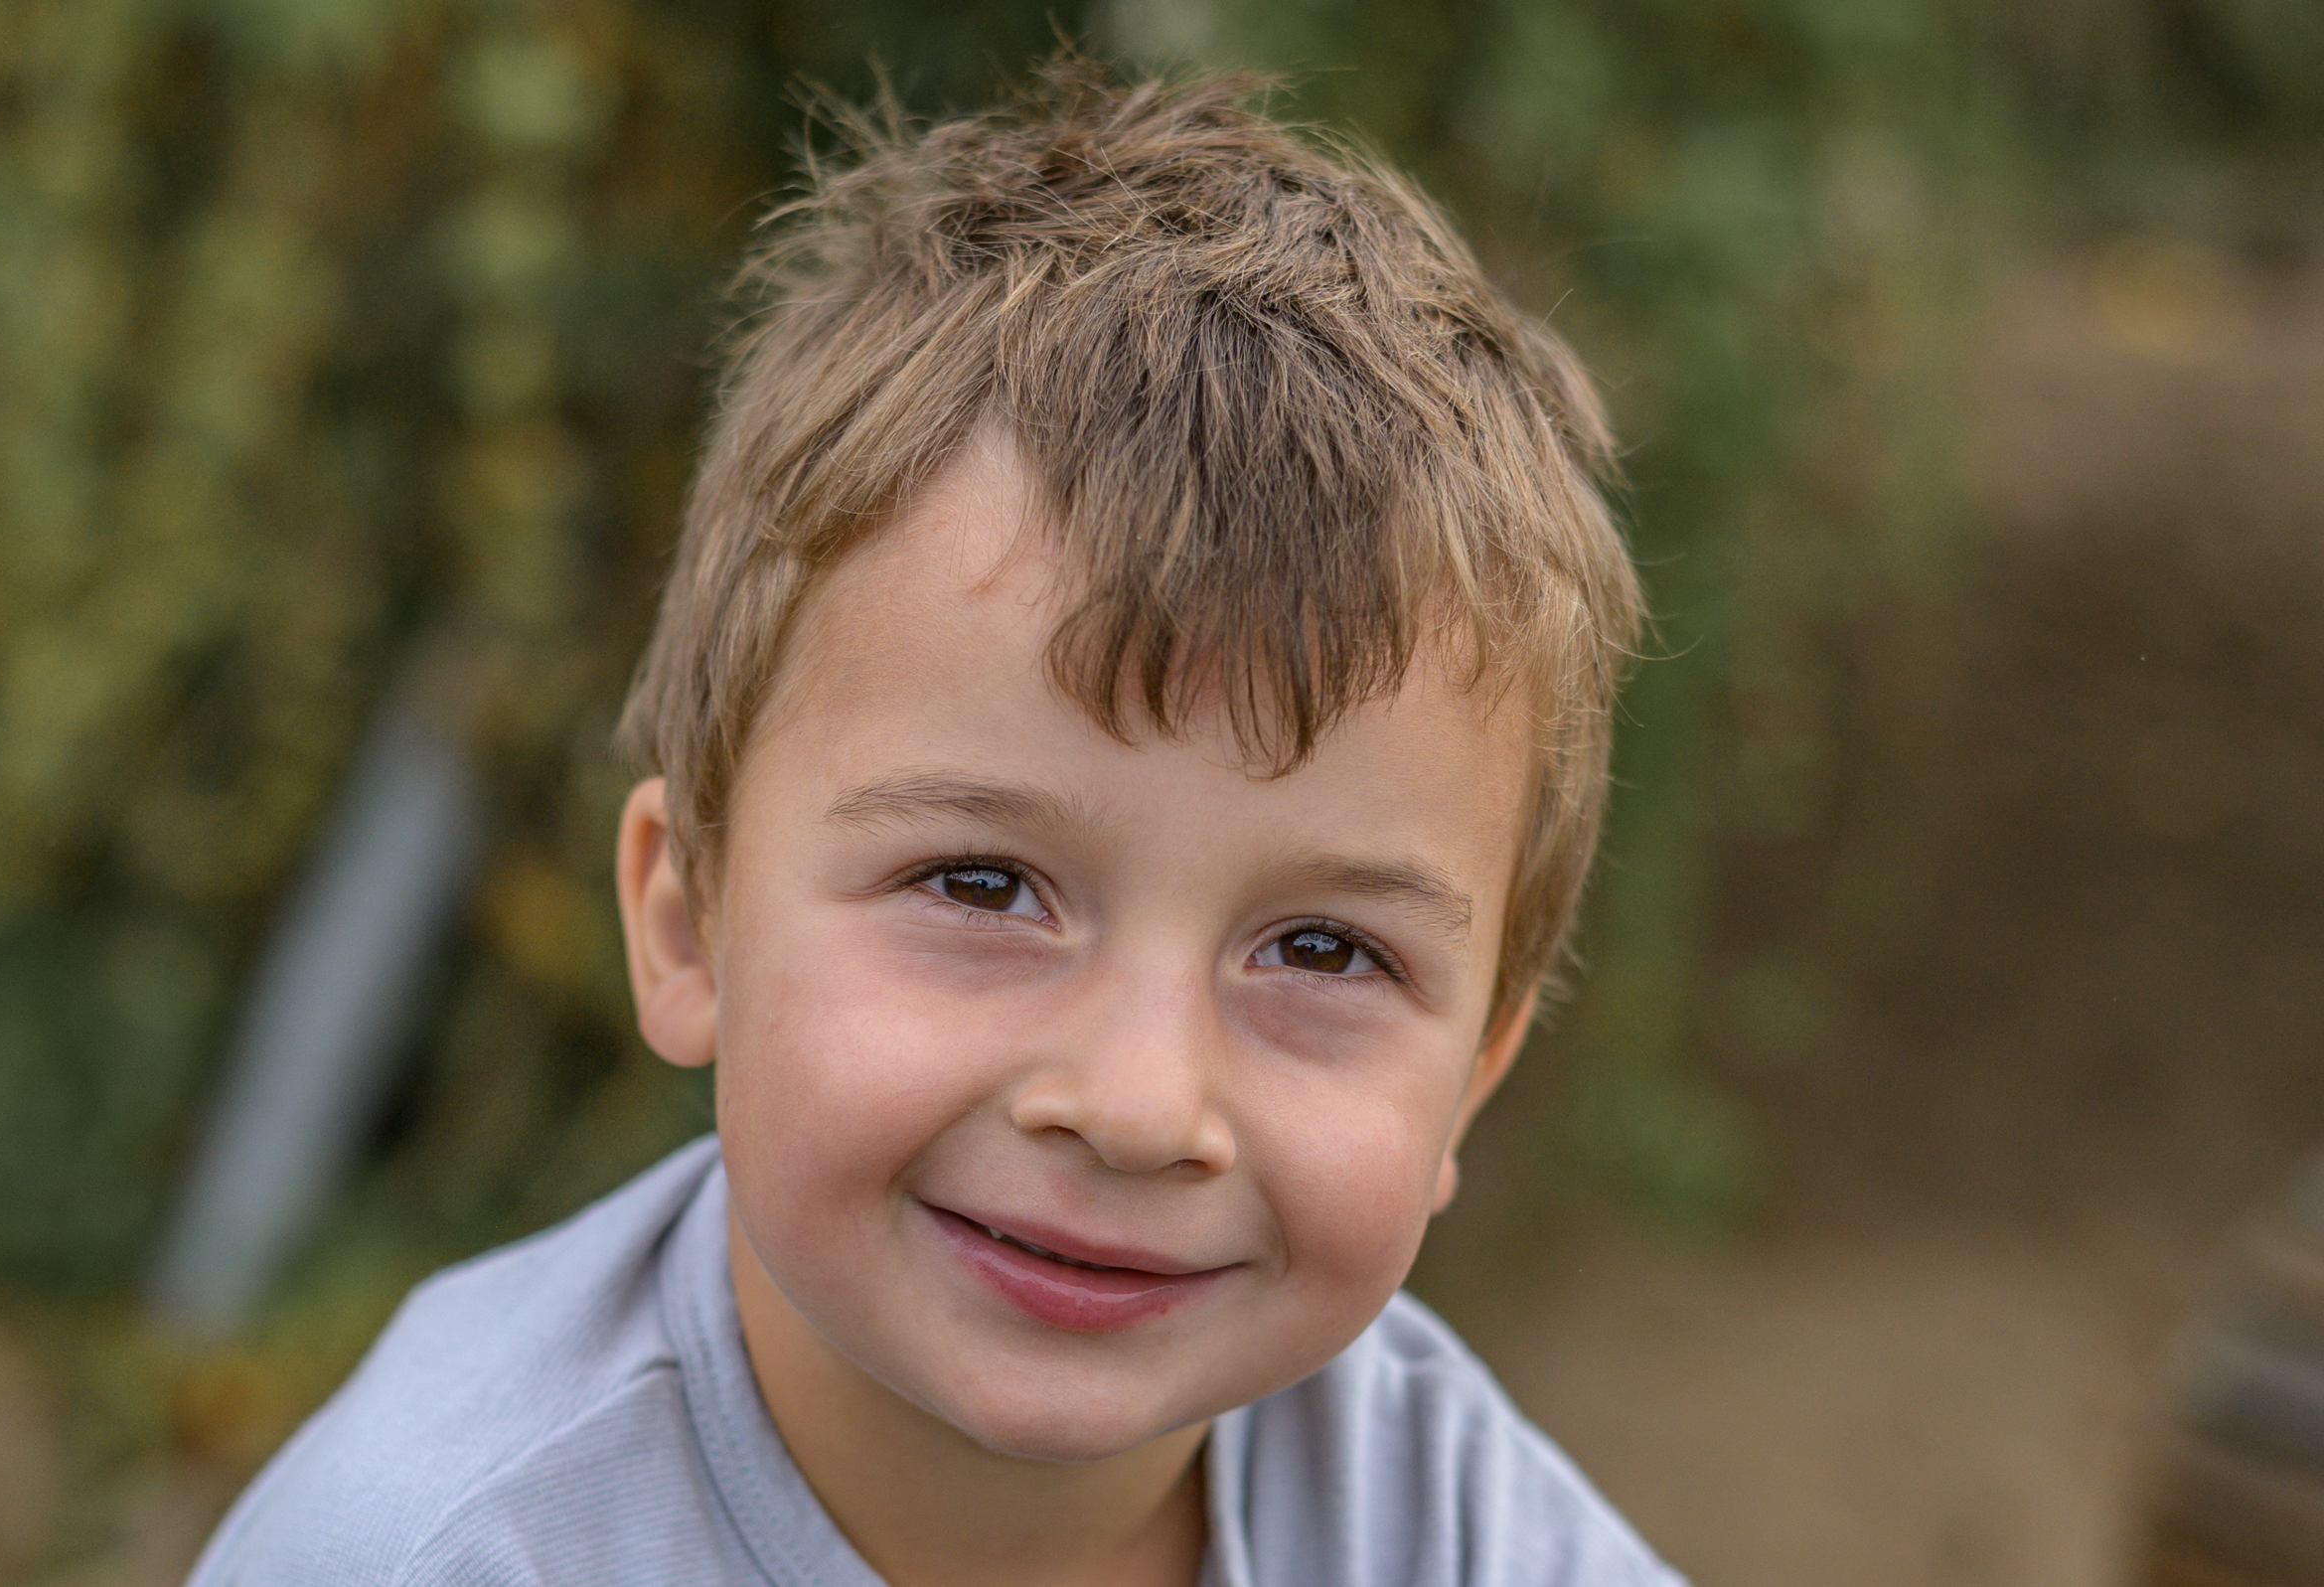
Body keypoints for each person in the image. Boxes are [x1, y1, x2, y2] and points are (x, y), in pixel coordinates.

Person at [185, 59, 1685, 1587]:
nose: (1139, 1104)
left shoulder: (1452, 1530)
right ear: (690, 920)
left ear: (1476, 1071)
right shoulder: (421, 1554)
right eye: (982, 881)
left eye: (1322, 947)